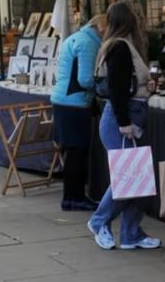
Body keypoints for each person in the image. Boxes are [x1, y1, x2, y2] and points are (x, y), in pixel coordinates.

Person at [86, 2, 161, 251]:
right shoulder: (120, 47)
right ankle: (99, 221)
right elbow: (118, 90)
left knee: (136, 175)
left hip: (125, 117)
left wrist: (144, 87)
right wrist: (124, 123)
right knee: (129, 176)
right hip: (123, 119)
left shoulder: (118, 45)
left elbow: (124, 86)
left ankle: (130, 232)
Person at [50, 13, 107, 211]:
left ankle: (72, 196)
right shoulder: (89, 44)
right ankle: (74, 198)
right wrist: (103, 85)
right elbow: (85, 80)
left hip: (63, 102)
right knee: (77, 153)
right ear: (102, 29)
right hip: (75, 104)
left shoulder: (74, 38)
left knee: (71, 153)